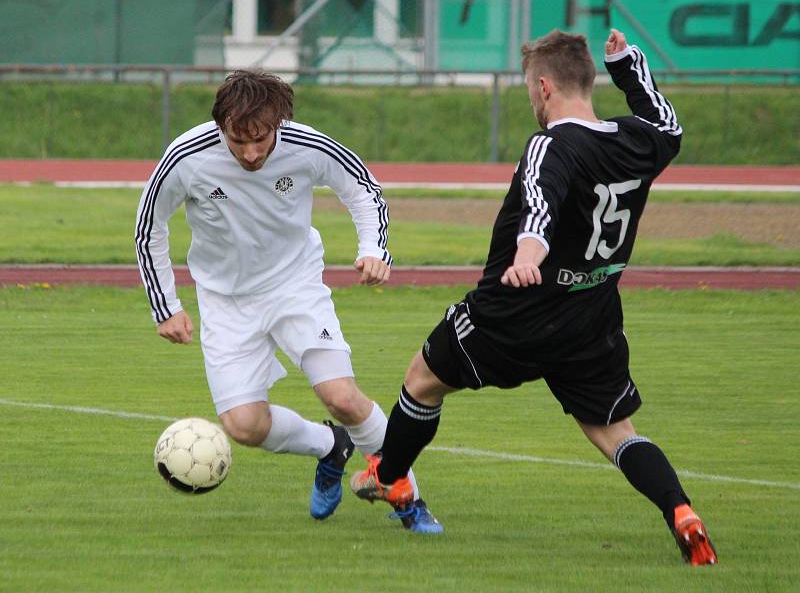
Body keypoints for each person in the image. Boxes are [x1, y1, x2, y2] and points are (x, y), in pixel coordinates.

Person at [350, 28, 717, 564]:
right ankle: (682, 512)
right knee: (615, 432)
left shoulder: (552, 143)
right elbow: (669, 124)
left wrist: (529, 255)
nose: (529, 99)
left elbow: (540, 206)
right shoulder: (639, 140)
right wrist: (629, 65)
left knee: (423, 380)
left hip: (515, 312)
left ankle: (390, 476)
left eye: (528, 89)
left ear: (544, 87)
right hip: (591, 316)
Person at [134, 70, 442, 533]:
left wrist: (374, 249)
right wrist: (166, 305)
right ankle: (329, 446)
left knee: (341, 396)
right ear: (221, 126)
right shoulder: (186, 156)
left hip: (294, 287)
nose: (251, 153)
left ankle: (406, 496)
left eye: (261, 139)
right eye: (238, 141)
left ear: (279, 122)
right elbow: (148, 228)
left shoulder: (307, 145)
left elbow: (364, 189)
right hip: (225, 301)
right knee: (244, 426)